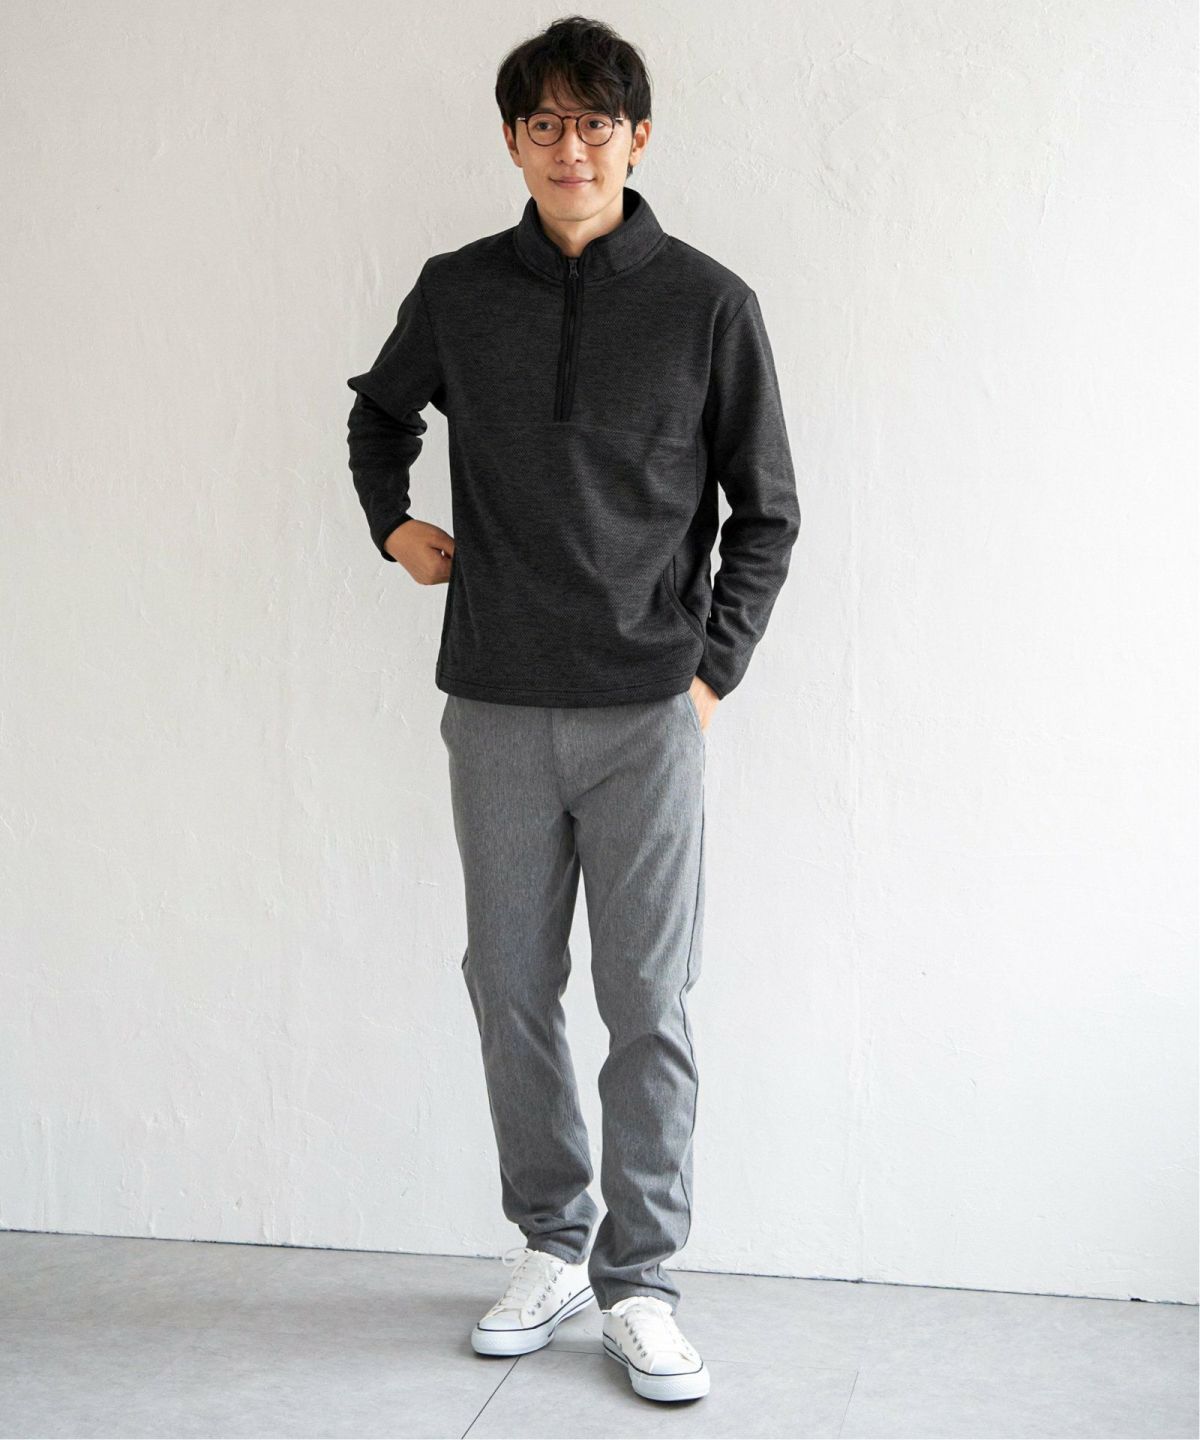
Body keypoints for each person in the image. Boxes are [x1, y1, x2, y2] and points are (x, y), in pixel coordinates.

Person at [344, 15, 800, 1405]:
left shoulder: (711, 304)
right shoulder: (460, 291)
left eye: (595, 122)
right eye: (543, 123)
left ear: (637, 137)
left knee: (646, 998)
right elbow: (379, 415)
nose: (571, 147)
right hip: (492, 699)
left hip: (647, 711)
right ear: (513, 140)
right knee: (510, 985)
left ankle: (640, 1280)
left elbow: (767, 512)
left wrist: (709, 673)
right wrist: (393, 527)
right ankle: (553, 1242)